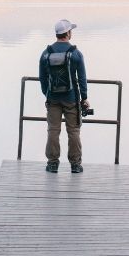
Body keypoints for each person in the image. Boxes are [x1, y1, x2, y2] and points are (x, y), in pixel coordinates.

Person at [39, 18, 89, 173]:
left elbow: (42, 78)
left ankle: (52, 163)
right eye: (71, 30)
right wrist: (84, 98)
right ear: (67, 33)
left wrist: (48, 93)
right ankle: (75, 164)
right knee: (73, 131)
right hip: (71, 98)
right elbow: (81, 78)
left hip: (53, 98)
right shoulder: (75, 53)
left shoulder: (46, 53)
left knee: (53, 130)